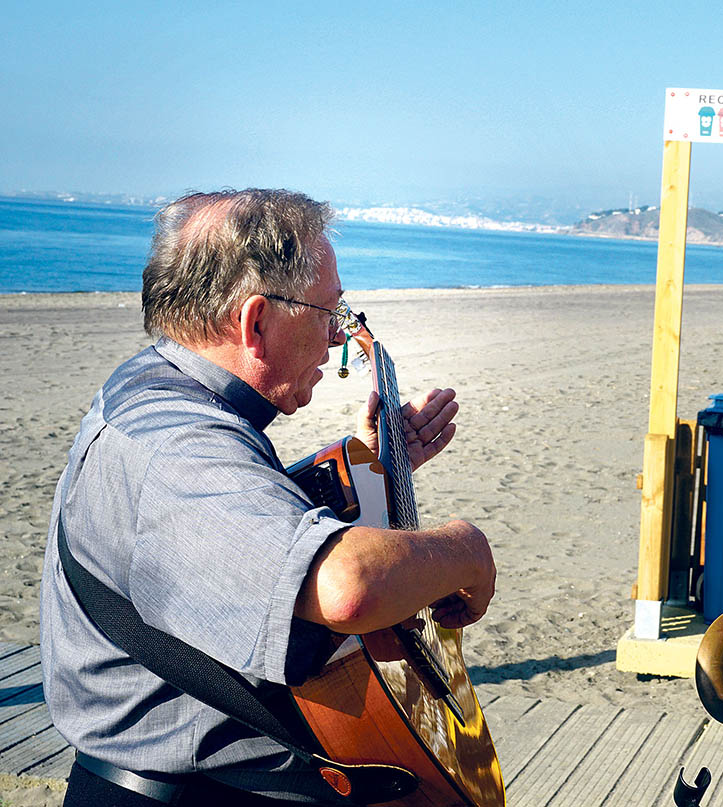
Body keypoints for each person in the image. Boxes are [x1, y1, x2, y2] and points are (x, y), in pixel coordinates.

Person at [40, 189, 498, 805]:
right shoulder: (174, 447)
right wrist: (466, 548)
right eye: (327, 313)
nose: (338, 335)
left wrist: (362, 460)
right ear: (256, 323)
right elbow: (347, 587)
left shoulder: (159, 385)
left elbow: (218, 527)